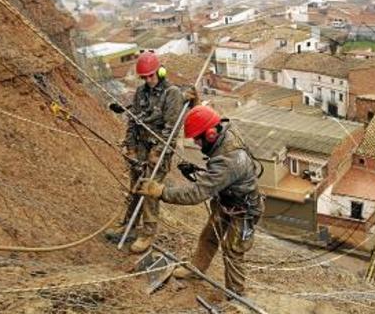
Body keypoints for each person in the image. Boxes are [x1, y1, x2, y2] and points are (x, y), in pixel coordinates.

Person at [135, 105, 263, 296]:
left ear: (210, 134)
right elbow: (219, 176)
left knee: (233, 251)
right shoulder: (225, 131)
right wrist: (198, 172)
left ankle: (235, 296)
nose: (196, 143)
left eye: (198, 138)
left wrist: (161, 191)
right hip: (227, 201)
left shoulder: (230, 158)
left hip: (244, 210)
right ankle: (196, 271)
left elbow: (196, 194)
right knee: (208, 237)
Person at [105, 51, 190, 253]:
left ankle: (148, 233)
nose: (148, 80)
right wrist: (131, 147)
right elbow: (133, 121)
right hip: (141, 147)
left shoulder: (172, 94)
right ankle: (129, 224)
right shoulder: (140, 93)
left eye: (151, 76)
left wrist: (158, 152)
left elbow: (171, 129)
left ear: (159, 72)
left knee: (149, 191)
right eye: (144, 77)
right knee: (135, 187)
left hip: (159, 150)